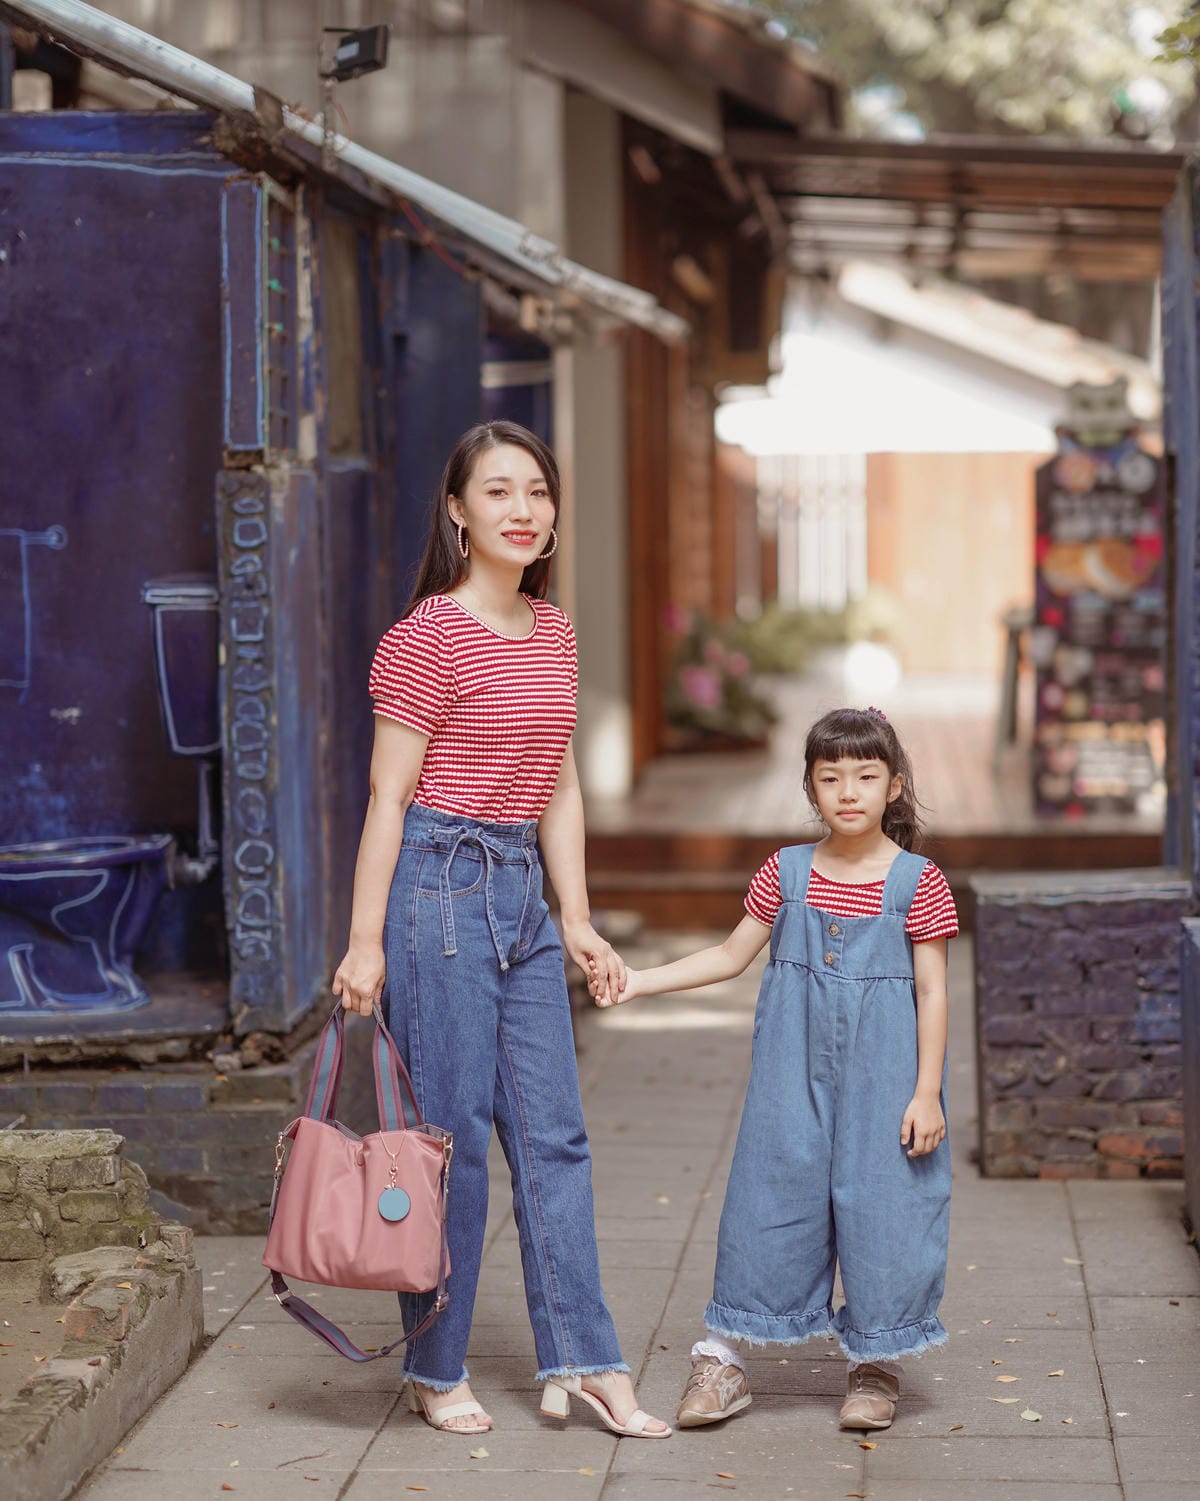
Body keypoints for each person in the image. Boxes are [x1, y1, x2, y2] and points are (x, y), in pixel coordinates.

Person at [333, 420, 669, 1440]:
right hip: (436, 891)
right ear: (457, 511)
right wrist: (364, 941)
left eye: (537, 491)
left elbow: (558, 784)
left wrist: (578, 917)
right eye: (498, 492)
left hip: (520, 890)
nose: (523, 510)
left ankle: (589, 1357)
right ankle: (437, 1366)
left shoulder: (556, 631)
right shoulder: (425, 637)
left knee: (556, 1140)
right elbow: (388, 798)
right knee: (451, 1150)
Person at [591, 706, 957, 1432]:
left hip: (887, 1078)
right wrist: (638, 980)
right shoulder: (785, 872)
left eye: (865, 775)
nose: (848, 790)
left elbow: (933, 989)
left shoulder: (920, 881)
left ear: (894, 785)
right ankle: (722, 1357)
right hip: (791, 1075)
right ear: (810, 788)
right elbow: (729, 956)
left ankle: (875, 1364)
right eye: (830, 777)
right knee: (767, 1195)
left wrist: (926, 1092)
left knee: (886, 1207)